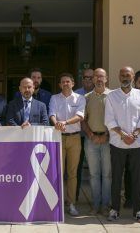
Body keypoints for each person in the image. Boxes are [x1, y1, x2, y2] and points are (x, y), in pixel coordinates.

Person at [105, 66, 140, 223]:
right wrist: (123, 135)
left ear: (133, 77)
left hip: (138, 144)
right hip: (117, 143)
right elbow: (109, 120)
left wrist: (134, 135)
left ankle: (138, 211)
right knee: (116, 177)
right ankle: (114, 209)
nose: (125, 77)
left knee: (136, 178)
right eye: (122, 75)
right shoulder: (111, 96)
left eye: (128, 75)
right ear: (119, 76)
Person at [49, 72, 86, 216]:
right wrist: (56, 124)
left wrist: (64, 122)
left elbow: (80, 116)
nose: (65, 84)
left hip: (74, 138)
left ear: (73, 83)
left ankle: (71, 203)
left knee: (72, 173)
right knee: (58, 172)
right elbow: (51, 113)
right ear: (59, 85)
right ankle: (57, 203)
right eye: (63, 82)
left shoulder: (80, 98)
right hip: (58, 137)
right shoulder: (54, 98)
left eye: (67, 81)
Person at [81, 68, 111, 215]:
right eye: (96, 77)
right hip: (91, 140)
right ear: (92, 79)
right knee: (94, 174)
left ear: (106, 79)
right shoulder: (86, 97)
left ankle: (105, 206)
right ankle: (95, 205)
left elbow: (117, 119)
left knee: (107, 175)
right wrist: (91, 135)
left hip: (108, 140)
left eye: (102, 77)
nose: (99, 79)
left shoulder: (113, 96)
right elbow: (83, 120)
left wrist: (107, 135)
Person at [124, 70, 140, 208]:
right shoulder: (130, 97)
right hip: (129, 140)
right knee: (129, 170)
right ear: (134, 82)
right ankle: (129, 199)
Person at [74, 68, 94, 201]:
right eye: (85, 77)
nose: (87, 80)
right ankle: (74, 198)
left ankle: (97, 200)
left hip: (96, 136)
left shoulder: (101, 93)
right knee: (77, 168)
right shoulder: (76, 94)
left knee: (96, 170)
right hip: (79, 136)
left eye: (90, 77)